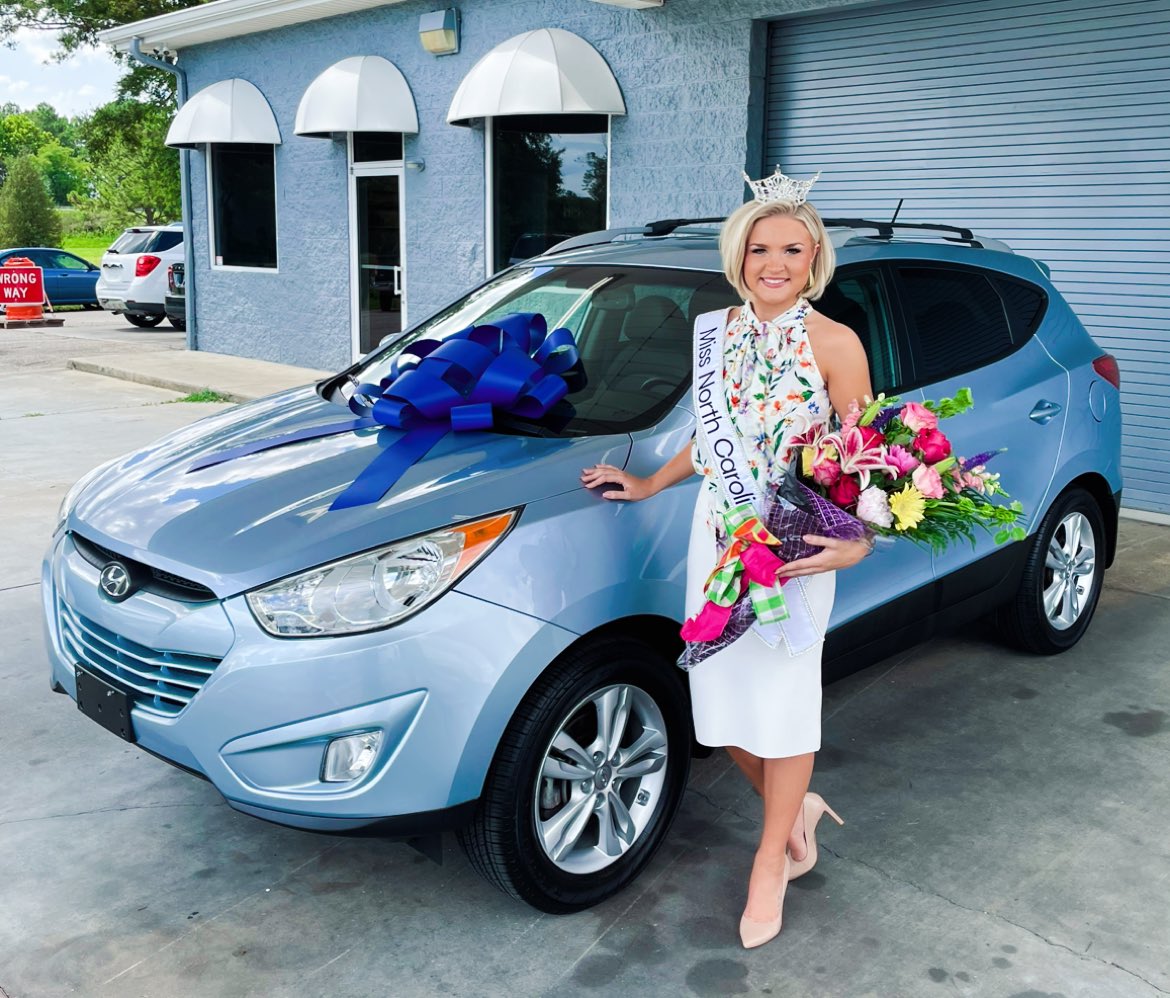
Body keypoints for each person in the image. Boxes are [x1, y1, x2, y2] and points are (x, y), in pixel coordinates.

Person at [580, 171, 873, 949]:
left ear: (814, 260)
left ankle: (770, 861)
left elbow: (866, 457)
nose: (772, 262)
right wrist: (647, 482)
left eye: (791, 249)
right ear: (737, 255)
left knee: (784, 700)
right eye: (758, 247)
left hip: (794, 540)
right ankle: (797, 812)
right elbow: (714, 441)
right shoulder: (715, 329)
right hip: (719, 532)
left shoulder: (837, 343)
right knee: (716, 697)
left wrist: (859, 539)